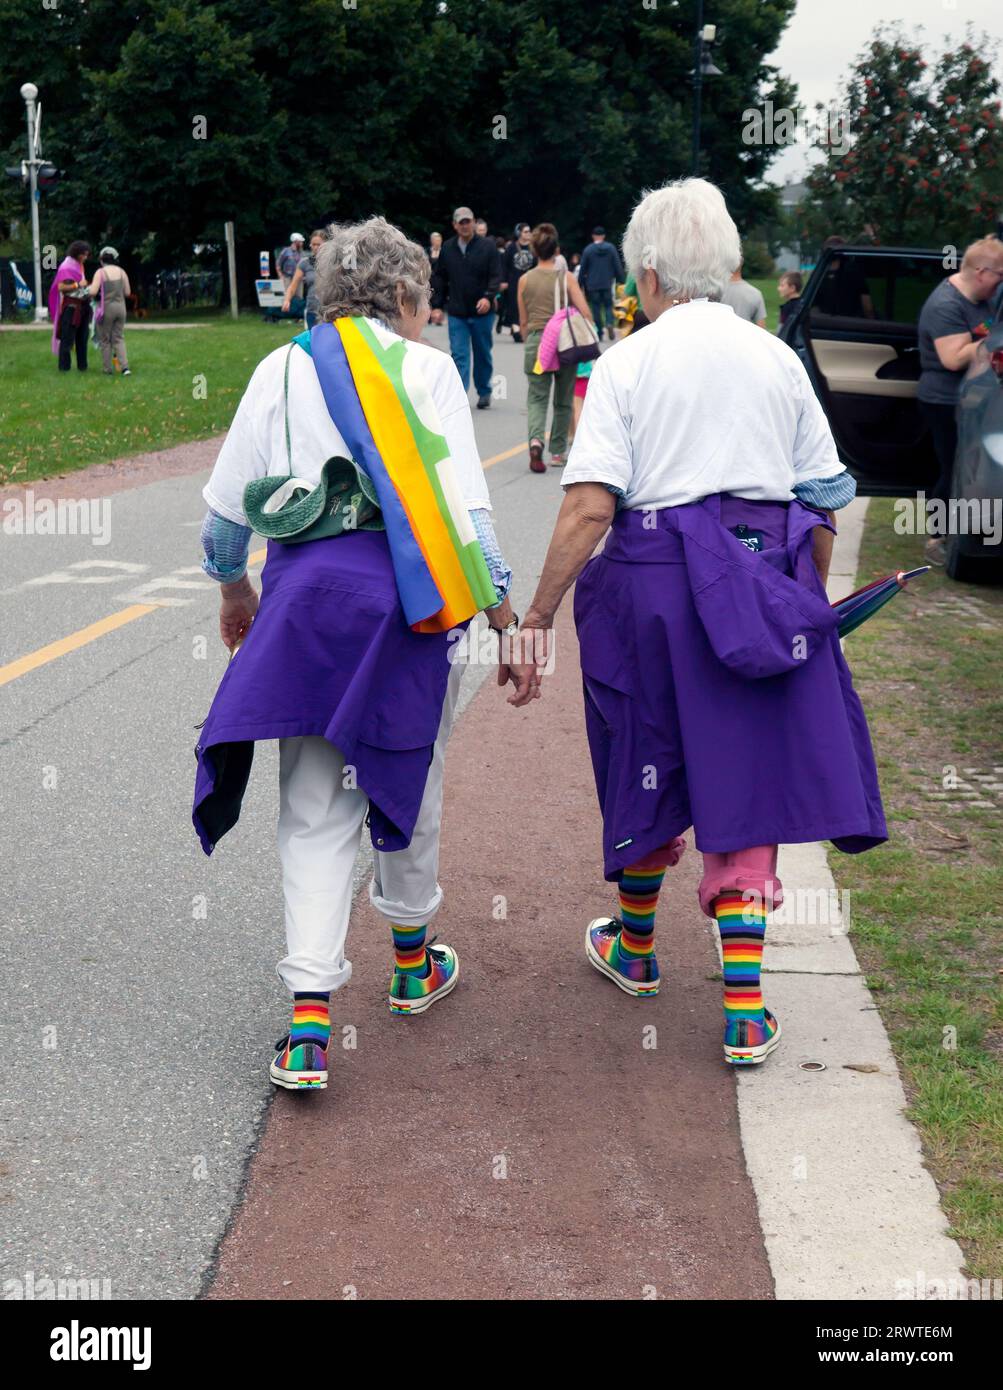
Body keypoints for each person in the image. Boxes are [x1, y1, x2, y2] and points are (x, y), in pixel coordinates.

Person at [514, 178, 885, 1068]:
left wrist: (535, 617)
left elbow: (589, 508)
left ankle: (635, 947)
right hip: (758, 579)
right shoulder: (774, 357)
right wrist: (805, 602)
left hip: (652, 584)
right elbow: (824, 496)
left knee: (647, 750)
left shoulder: (630, 362)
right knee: (745, 766)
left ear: (644, 271)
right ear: (723, 264)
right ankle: (746, 1008)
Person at [193, 215, 532, 1092]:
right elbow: (467, 524)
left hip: (306, 605)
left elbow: (226, 522)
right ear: (410, 299)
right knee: (405, 772)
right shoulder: (426, 371)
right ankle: (414, 963)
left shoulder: (283, 366)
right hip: (410, 609)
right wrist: (508, 619)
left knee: (312, 801)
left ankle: (308, 1024)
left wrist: (237, 591)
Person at [916, 234, 1003, 564]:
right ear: (982, 272)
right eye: (1000, 276)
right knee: (951, 467)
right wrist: (994, 341)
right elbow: (952, 358)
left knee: (966, 467)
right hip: (943, 400)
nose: (1001, 284)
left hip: (973, 398)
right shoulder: (946, 305)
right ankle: (937, 537)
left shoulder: (983, 300)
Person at [518, 222, 593, 472]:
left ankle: (536, 440)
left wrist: (533, 340)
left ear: (535, 251)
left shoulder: (524, 280)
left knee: (537, 398)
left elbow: (524, 321)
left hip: (537, 342)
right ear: (556, 249)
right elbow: (585, 313)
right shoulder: (566, 278)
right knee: (563, 400)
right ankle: (558, 451)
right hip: (564, 344)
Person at [430, 205, 501, 409]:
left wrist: (488, 297)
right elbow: (440, 279)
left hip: (482, 312)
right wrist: (437, 306)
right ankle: (459, 396)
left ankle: (484, 391)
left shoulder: (488, 247)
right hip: (457, 312)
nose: (465, 225)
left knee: (482, 353)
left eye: (467, 221)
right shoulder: (448, 248)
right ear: (454, 225)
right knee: (459, 355)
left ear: (474, 222)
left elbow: (496, 276)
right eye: (460, 222)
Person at [48, 240, 92, 372]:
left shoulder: (79, 265)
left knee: (82, 338)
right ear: (76, 253)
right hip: (71, 307)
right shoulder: (66, 266)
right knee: (67, 339)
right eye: (83, 255)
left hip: (83, 306)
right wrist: (78, 285)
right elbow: (61, 287)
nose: (85, 257)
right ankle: (64, 368)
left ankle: (82, 367)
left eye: (86, 255)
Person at [88, 247, 132, 376]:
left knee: (105, 339)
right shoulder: (122, 272)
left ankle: (107, 369)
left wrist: (87, 289)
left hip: (106, 309)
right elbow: (128, 292)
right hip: (121, 308)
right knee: (118, 338)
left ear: (102, 260)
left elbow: (93, 292)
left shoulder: (100, 273)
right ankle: (125, 368)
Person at [579, 226, 623, 342]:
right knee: (608, 306)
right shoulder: (611, 248)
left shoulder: (588, 250)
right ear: (603, 236)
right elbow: (617, 265)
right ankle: (609, 323)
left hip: (592, 284)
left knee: (596, 308)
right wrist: (621, 280)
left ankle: (599, 332)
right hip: (607, 283)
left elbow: (583, 269)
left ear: (593, 236)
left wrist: (580, 283)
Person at [282, 229, 327, 328]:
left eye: (318, 244)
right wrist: (287, 300)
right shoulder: (304, 263)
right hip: (312, 310)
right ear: (310, 245)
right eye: (313, 244)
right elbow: (293, 286)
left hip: (330, 311)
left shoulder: (334, 262)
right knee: (313, 341)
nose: (316, 247)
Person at [500, 223, 536, 343]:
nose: (528, 234)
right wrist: (503, 280)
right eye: (525, 231)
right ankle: (516, 328)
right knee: (514, 305)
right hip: (514, 281)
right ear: (519, 233)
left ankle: (526, 329)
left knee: (529, 305)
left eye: (529, 231)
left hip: (530, 282)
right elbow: (504, 265)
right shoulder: (511, 247)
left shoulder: (533, 247)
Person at [720, 257, 767, 327]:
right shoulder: (755, 293)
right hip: (745, 337)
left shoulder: (713, 292)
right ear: (741, 263)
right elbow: (761, 327)